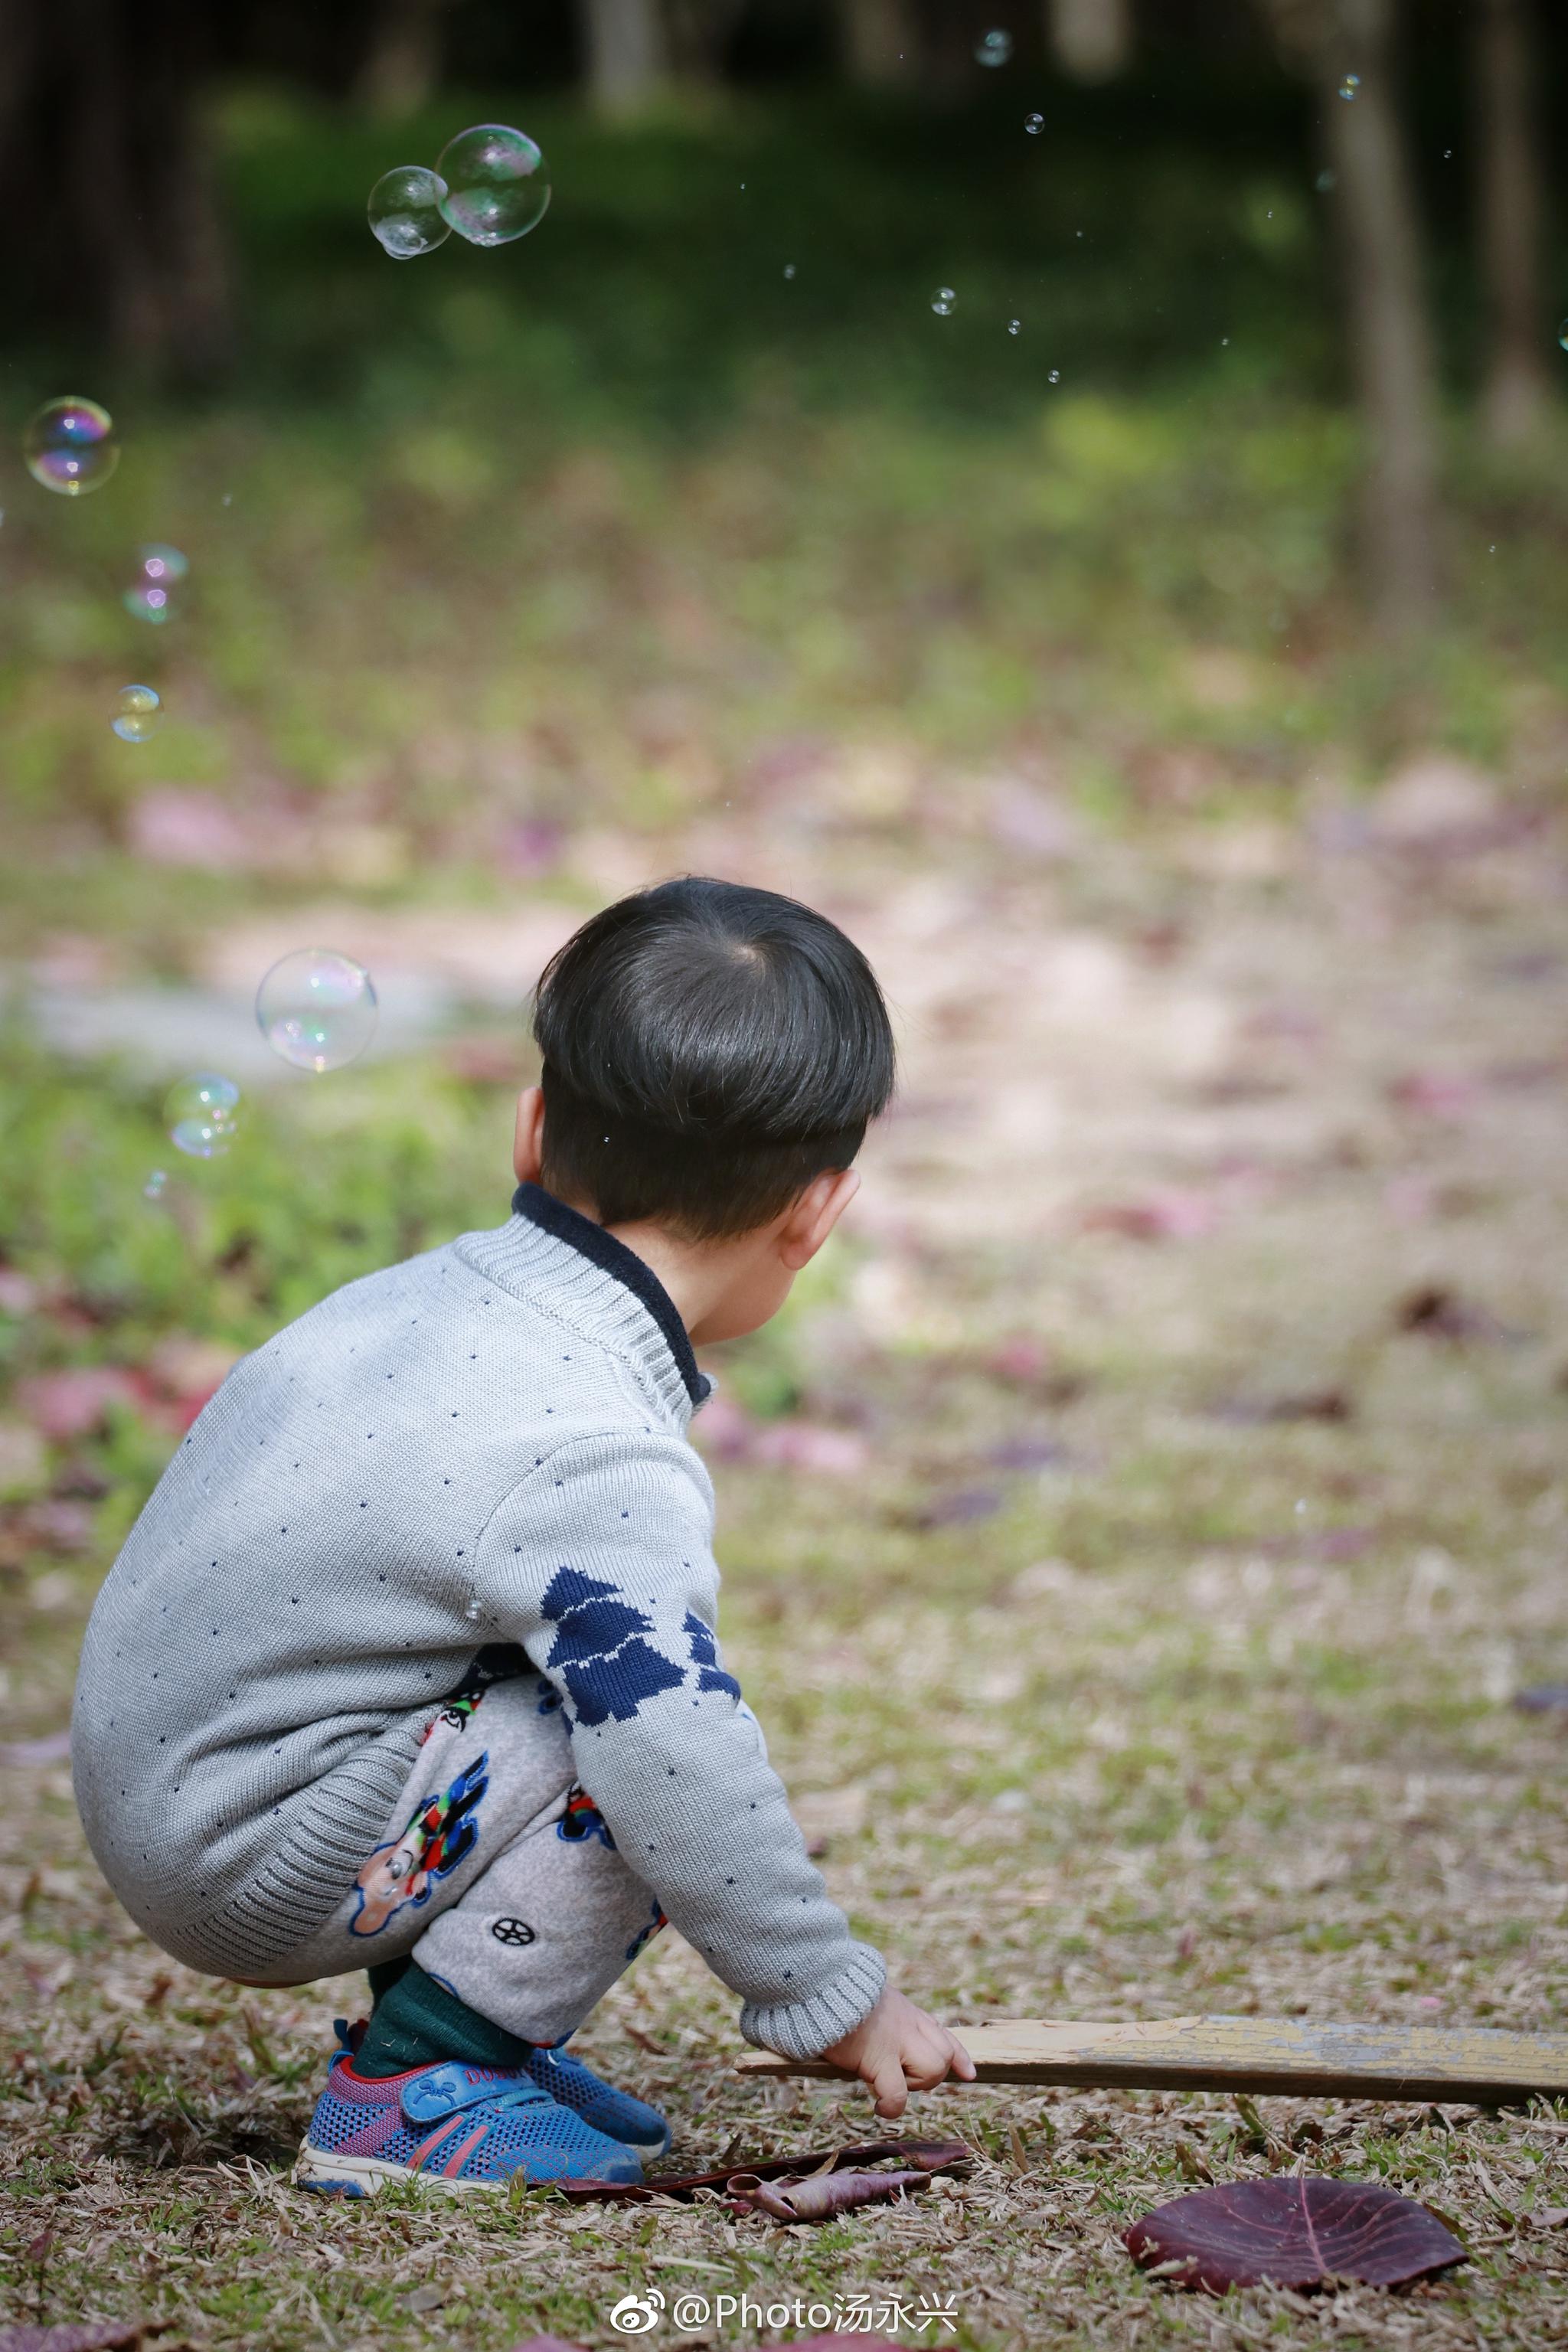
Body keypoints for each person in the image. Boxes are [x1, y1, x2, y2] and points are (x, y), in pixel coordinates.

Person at [72, 877, 974, 2197]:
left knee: (579, 1679)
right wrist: (823, 1992)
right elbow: (673, 1750)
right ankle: (420, 2087)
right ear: (817, 1211)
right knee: (642, 1723)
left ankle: (445, 2022)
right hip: (252, 1849)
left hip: (167, 1791)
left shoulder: (414, 1306)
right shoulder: (589, 1442)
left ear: (533, 1127)